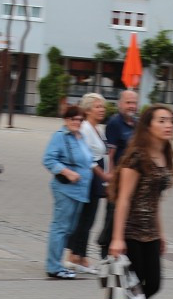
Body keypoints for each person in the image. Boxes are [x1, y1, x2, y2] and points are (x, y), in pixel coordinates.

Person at [109, 104, 173, 299]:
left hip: (150, 232)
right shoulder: (136, 157)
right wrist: (116, 238)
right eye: (162, 120)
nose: (168, 125)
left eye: (170, 121)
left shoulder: (164, 155)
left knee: (154, 284)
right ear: (148, 126)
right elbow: (123, 199)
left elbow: (155, 199)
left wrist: (161, 233)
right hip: (129, 232)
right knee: (133, 288)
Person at [42, 105, 93, 280]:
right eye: (73, 119)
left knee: (69, 229)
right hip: (65, 189)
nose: (76, 122)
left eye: (80, 119)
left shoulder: (81, 137)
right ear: (66, 120)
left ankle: (57, 263)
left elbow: (88, 161)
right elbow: (48, 159)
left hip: (80, 190)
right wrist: (67, 172)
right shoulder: (60, 137)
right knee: (61, 228)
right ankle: (54, 267)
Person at [66, 93, 111, 275]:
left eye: (103, 106)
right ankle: (75, 257)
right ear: (87, 109)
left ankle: (80, 256)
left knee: (88, 218)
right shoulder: (84, 128)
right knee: (85, 217)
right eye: (98, 106)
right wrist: (103, 175)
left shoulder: (97, 128)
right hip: (89, 175)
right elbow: (87, 157)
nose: (102, 110)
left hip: (96, 175)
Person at [98, 89, 139, 259]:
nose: (132, 106)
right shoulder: (115, 123)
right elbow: (110, 155)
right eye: (128, 102)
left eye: (134, 103)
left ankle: (123, 251)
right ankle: (105, 252)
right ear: (120, 104)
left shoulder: (136, 124)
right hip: (118, 179)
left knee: (127, 216)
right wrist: (110, 180)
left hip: (133, 179)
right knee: (112, 216)